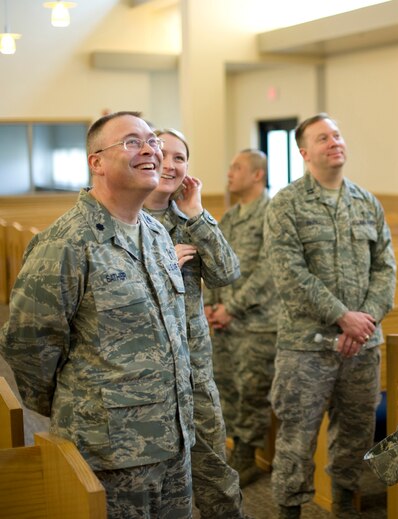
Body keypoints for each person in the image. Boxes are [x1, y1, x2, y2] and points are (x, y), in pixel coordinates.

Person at [0, 111, 195, 518]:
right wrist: (81, 407)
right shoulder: (66, 242)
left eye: (153, 141)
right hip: (110, 452)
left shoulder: (156, 234)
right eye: (131, 142)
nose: (150, 150)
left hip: (173, 440)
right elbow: (27, 346)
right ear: (97, 162)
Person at [264, 113, 396, 519]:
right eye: (322, 138)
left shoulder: (366, 202)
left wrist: (364, 320)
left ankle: (344, 506)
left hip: (362, 346)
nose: (334, 142)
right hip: (306, 348)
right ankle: (288, 512)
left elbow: (385, 268)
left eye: (336, 135)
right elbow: (289, 274)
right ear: (305, 153)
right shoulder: (286, 204)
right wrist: (342, 316)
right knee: (297, 439)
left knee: (355, 435)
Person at [143, 128, 246, 517]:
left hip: (194, 371)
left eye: (180, 158)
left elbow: (226, 273)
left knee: (215, 474)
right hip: (145, 376)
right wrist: (159, 262)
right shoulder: (124, 217)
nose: (170, 165)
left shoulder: (188, 219)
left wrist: (198, 214)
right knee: (157, 483)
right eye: (163, 154)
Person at [204, 148, 279, 487]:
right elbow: (213, 261)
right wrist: (210, 304)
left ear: (257, 175)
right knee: (227, 385)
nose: (229, 173)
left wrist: (231, 308)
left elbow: (268, 271)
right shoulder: (231, 216)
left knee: (252, 389)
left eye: (237, 167)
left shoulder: (272, 213)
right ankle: (235, 446)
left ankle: (248, 455)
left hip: (256, 323)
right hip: (225, 323)